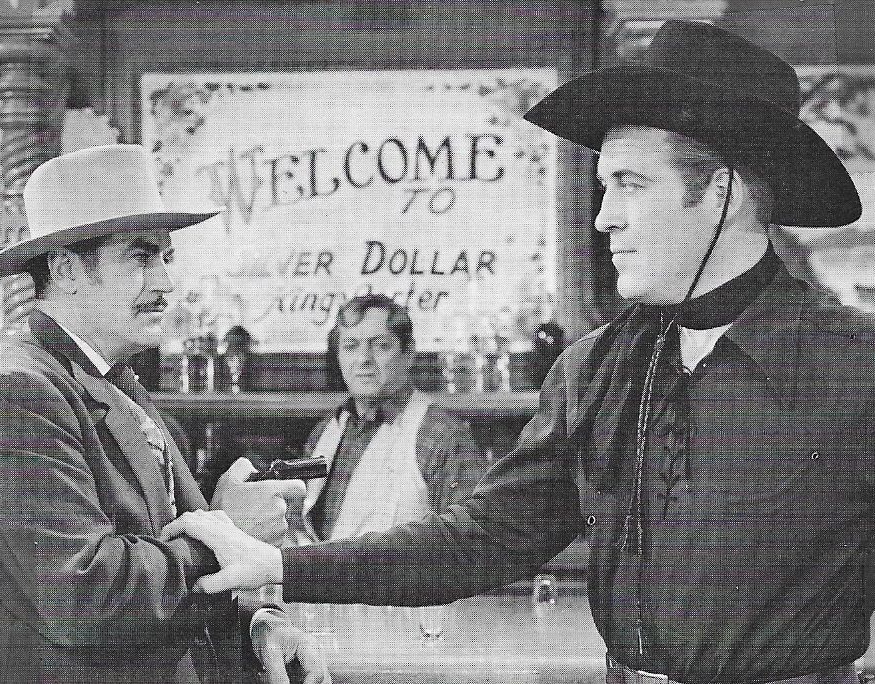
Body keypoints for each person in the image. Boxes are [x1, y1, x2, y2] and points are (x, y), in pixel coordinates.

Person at [163, 21, 872, 684]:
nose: (604, 218)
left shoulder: (856, 365)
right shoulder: (595, 369)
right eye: (602, 189)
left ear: (719, 193)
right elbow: (483, 538)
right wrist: (279, 564)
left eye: (630, 184)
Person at [0, 144, 329, 684]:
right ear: (67, 268)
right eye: (140, 257)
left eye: (165, 257)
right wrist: (229, 527)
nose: (164, 282)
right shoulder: (16, 390)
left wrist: (260, 621)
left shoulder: (108, 375)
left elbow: (171, 555)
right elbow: (87, 598)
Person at [289, 294, 486, 544]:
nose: (363, 360)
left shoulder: (442, 434)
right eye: (351, 346)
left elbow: (469, 546)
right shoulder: (325, 432)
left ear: (409, 353)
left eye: (380, 345)